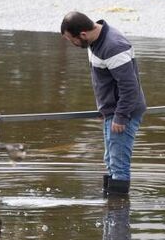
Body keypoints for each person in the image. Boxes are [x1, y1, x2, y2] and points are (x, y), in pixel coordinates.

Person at [60, 11, 147, 195]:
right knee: (110, 160)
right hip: (112, 112)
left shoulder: (113, 46)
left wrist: (121, 117)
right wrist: (105, 110)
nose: (72, 45)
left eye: (71, 40)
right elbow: (105, 81)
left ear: (82, 34)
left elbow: (130, 87)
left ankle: (119, 215)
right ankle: (111, 213)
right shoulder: (95, 41)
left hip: (124, 112)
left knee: (118, 165)